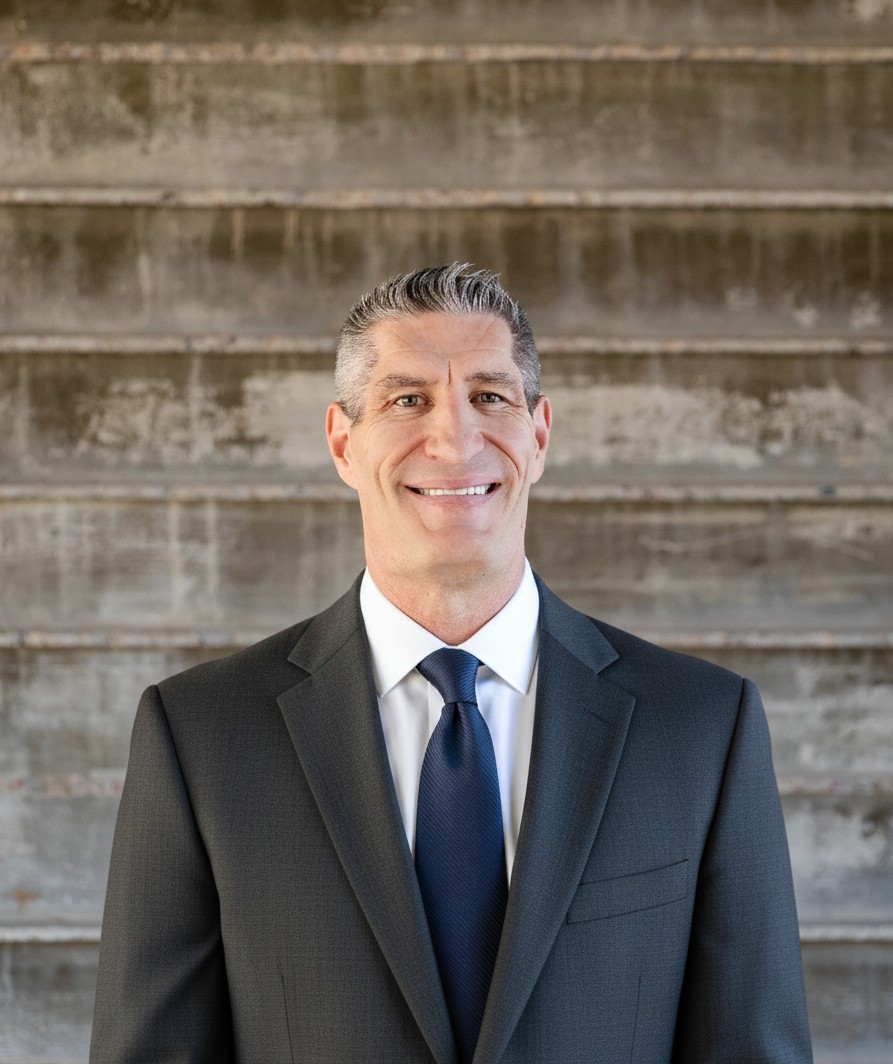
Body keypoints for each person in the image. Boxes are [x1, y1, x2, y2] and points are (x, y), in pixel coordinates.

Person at [90, 264, 813, 1063]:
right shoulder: (199, 733)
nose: (455, 439)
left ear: (538, 435)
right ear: (341, 440)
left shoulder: (702, 725)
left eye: (490, 397)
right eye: (408, 400)